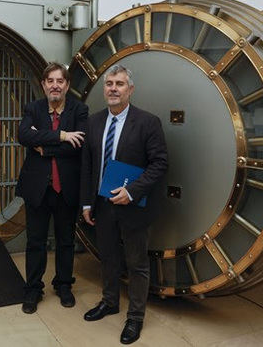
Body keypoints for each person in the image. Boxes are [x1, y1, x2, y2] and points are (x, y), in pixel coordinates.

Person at [80, 65, 168, 344]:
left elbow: (160, 164)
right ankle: (109, 302)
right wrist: (85, 203)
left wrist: (132, 191)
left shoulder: (148, 122)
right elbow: (87, 167)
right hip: (102, 205)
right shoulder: (93, 122)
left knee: (137, 263)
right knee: (107, 257)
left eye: (119, 84)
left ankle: (135, 318)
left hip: (134, 206)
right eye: (109, 84)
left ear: (130, 89)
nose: (113, 89)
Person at [16, 62, 89, 314]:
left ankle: (64, 285)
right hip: (37, 187)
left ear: (67, 85)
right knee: (35, 241)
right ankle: (33, 289)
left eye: (60, 81)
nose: (55, 85)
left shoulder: (79, 109)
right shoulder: (33, 108)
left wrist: (43, 145)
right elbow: (24, 136)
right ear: (44, 84)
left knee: (65, 241)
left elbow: (78, 144)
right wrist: (61, 136)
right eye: (50, 81)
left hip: (66, 187)